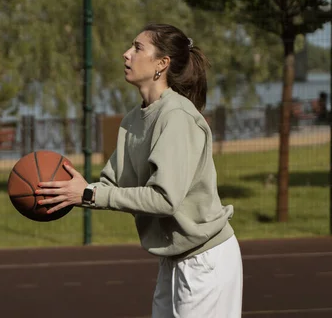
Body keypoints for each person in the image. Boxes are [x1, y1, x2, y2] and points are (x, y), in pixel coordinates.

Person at [36, 23, 243, 318]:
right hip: (172, 260)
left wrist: (89, 195)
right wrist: (74, 191)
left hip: (205, 260)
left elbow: (164, 199)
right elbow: (112, 185)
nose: (126, 54)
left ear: (162, 64)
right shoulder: (134, 119)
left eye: (137, 47)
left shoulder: (177, 117)